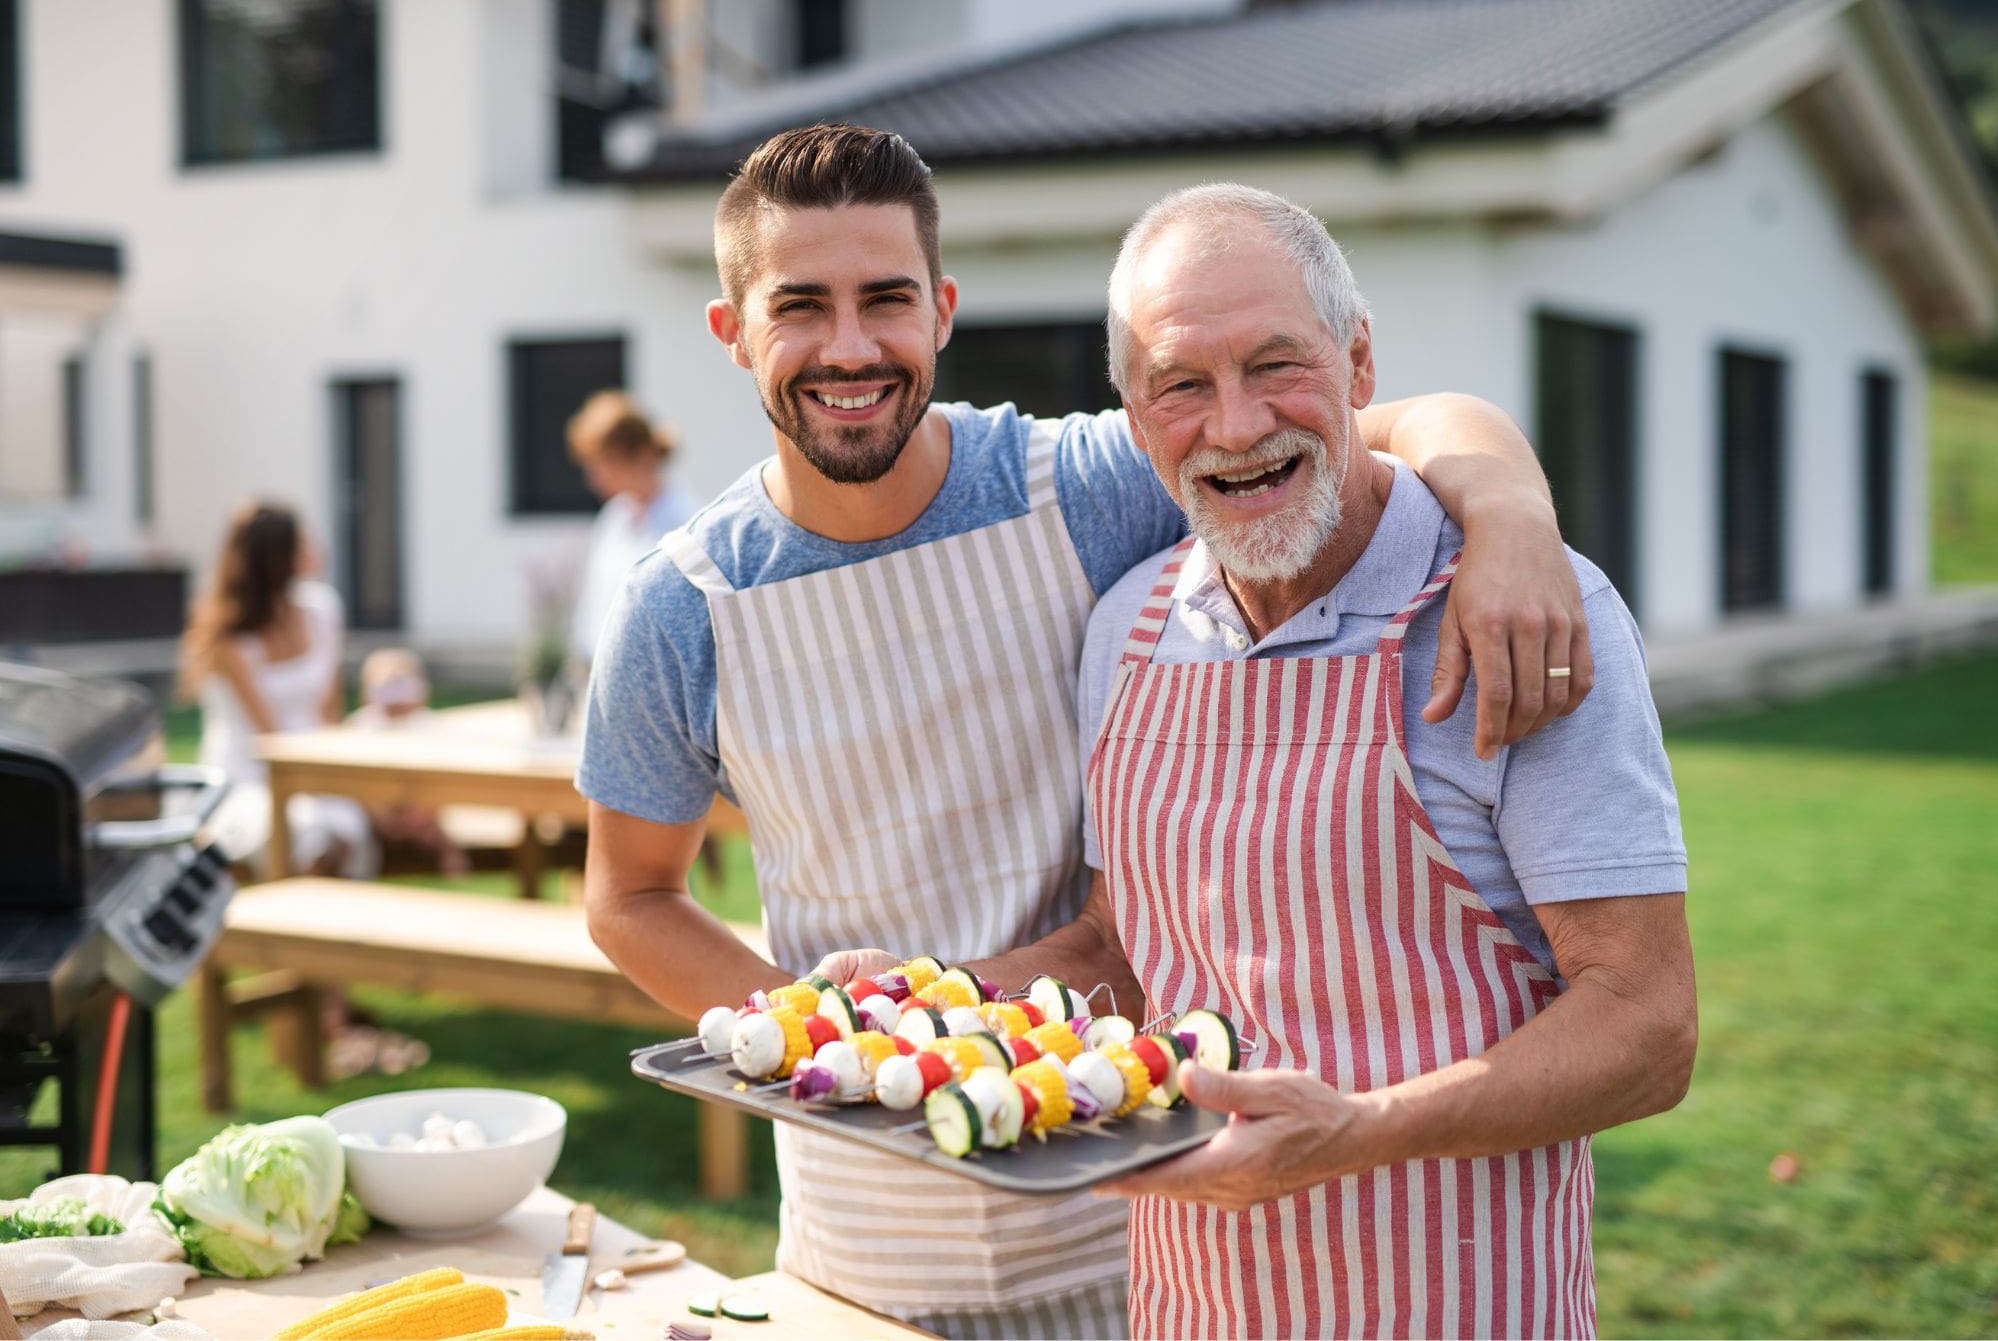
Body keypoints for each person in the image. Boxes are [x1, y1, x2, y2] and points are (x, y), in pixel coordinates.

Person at [578, 125, 1594, 1339]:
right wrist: (827, 1050)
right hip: (865, 1239)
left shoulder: (1082, 484)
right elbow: (627, 896)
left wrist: (1512, 515)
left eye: (885, 299)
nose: (849, 347)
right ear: (732, 329)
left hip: (1143, 1205)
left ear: (942, 310)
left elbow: (1397, 415)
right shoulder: (677, 606)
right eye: (800, 306)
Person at [839, 183, 1695, 1338]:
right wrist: (925, 1007)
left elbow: (1644, 1027)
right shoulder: (1127, 629)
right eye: (1181, 385)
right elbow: (1120, 952)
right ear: (1135, 420)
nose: (1234, 426)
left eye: (1274, 365)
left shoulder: (1515, 615)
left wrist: (1364, 1128)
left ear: (1356, 367)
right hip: (1187, 1305)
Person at [183, 501, 377, 880]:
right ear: (275, 557)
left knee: (348, 829)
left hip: (314, 765)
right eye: (301, 541)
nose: (315, 547)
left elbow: (329, 711)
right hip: (247, 775)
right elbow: (269, 738)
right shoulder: (229, 641)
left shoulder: (323, 609)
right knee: (307, 832)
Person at [566, 390, 702, 665]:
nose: (595, 477)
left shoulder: (687, 522)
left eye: (606, 462)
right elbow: (594, 601)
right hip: (606, 669)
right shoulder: (614, 518)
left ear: (642, 455)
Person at [347, 648, 468, 878]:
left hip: (422, 812)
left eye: (402, 688)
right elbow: (355, 783)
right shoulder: (361, 728)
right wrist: (382, 818)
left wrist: (422, 814)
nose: (396, 699)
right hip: (376, 815)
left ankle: (454, 868)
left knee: (444, 841)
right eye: (386, 689)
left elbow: (443, 775)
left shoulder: (428, 726)